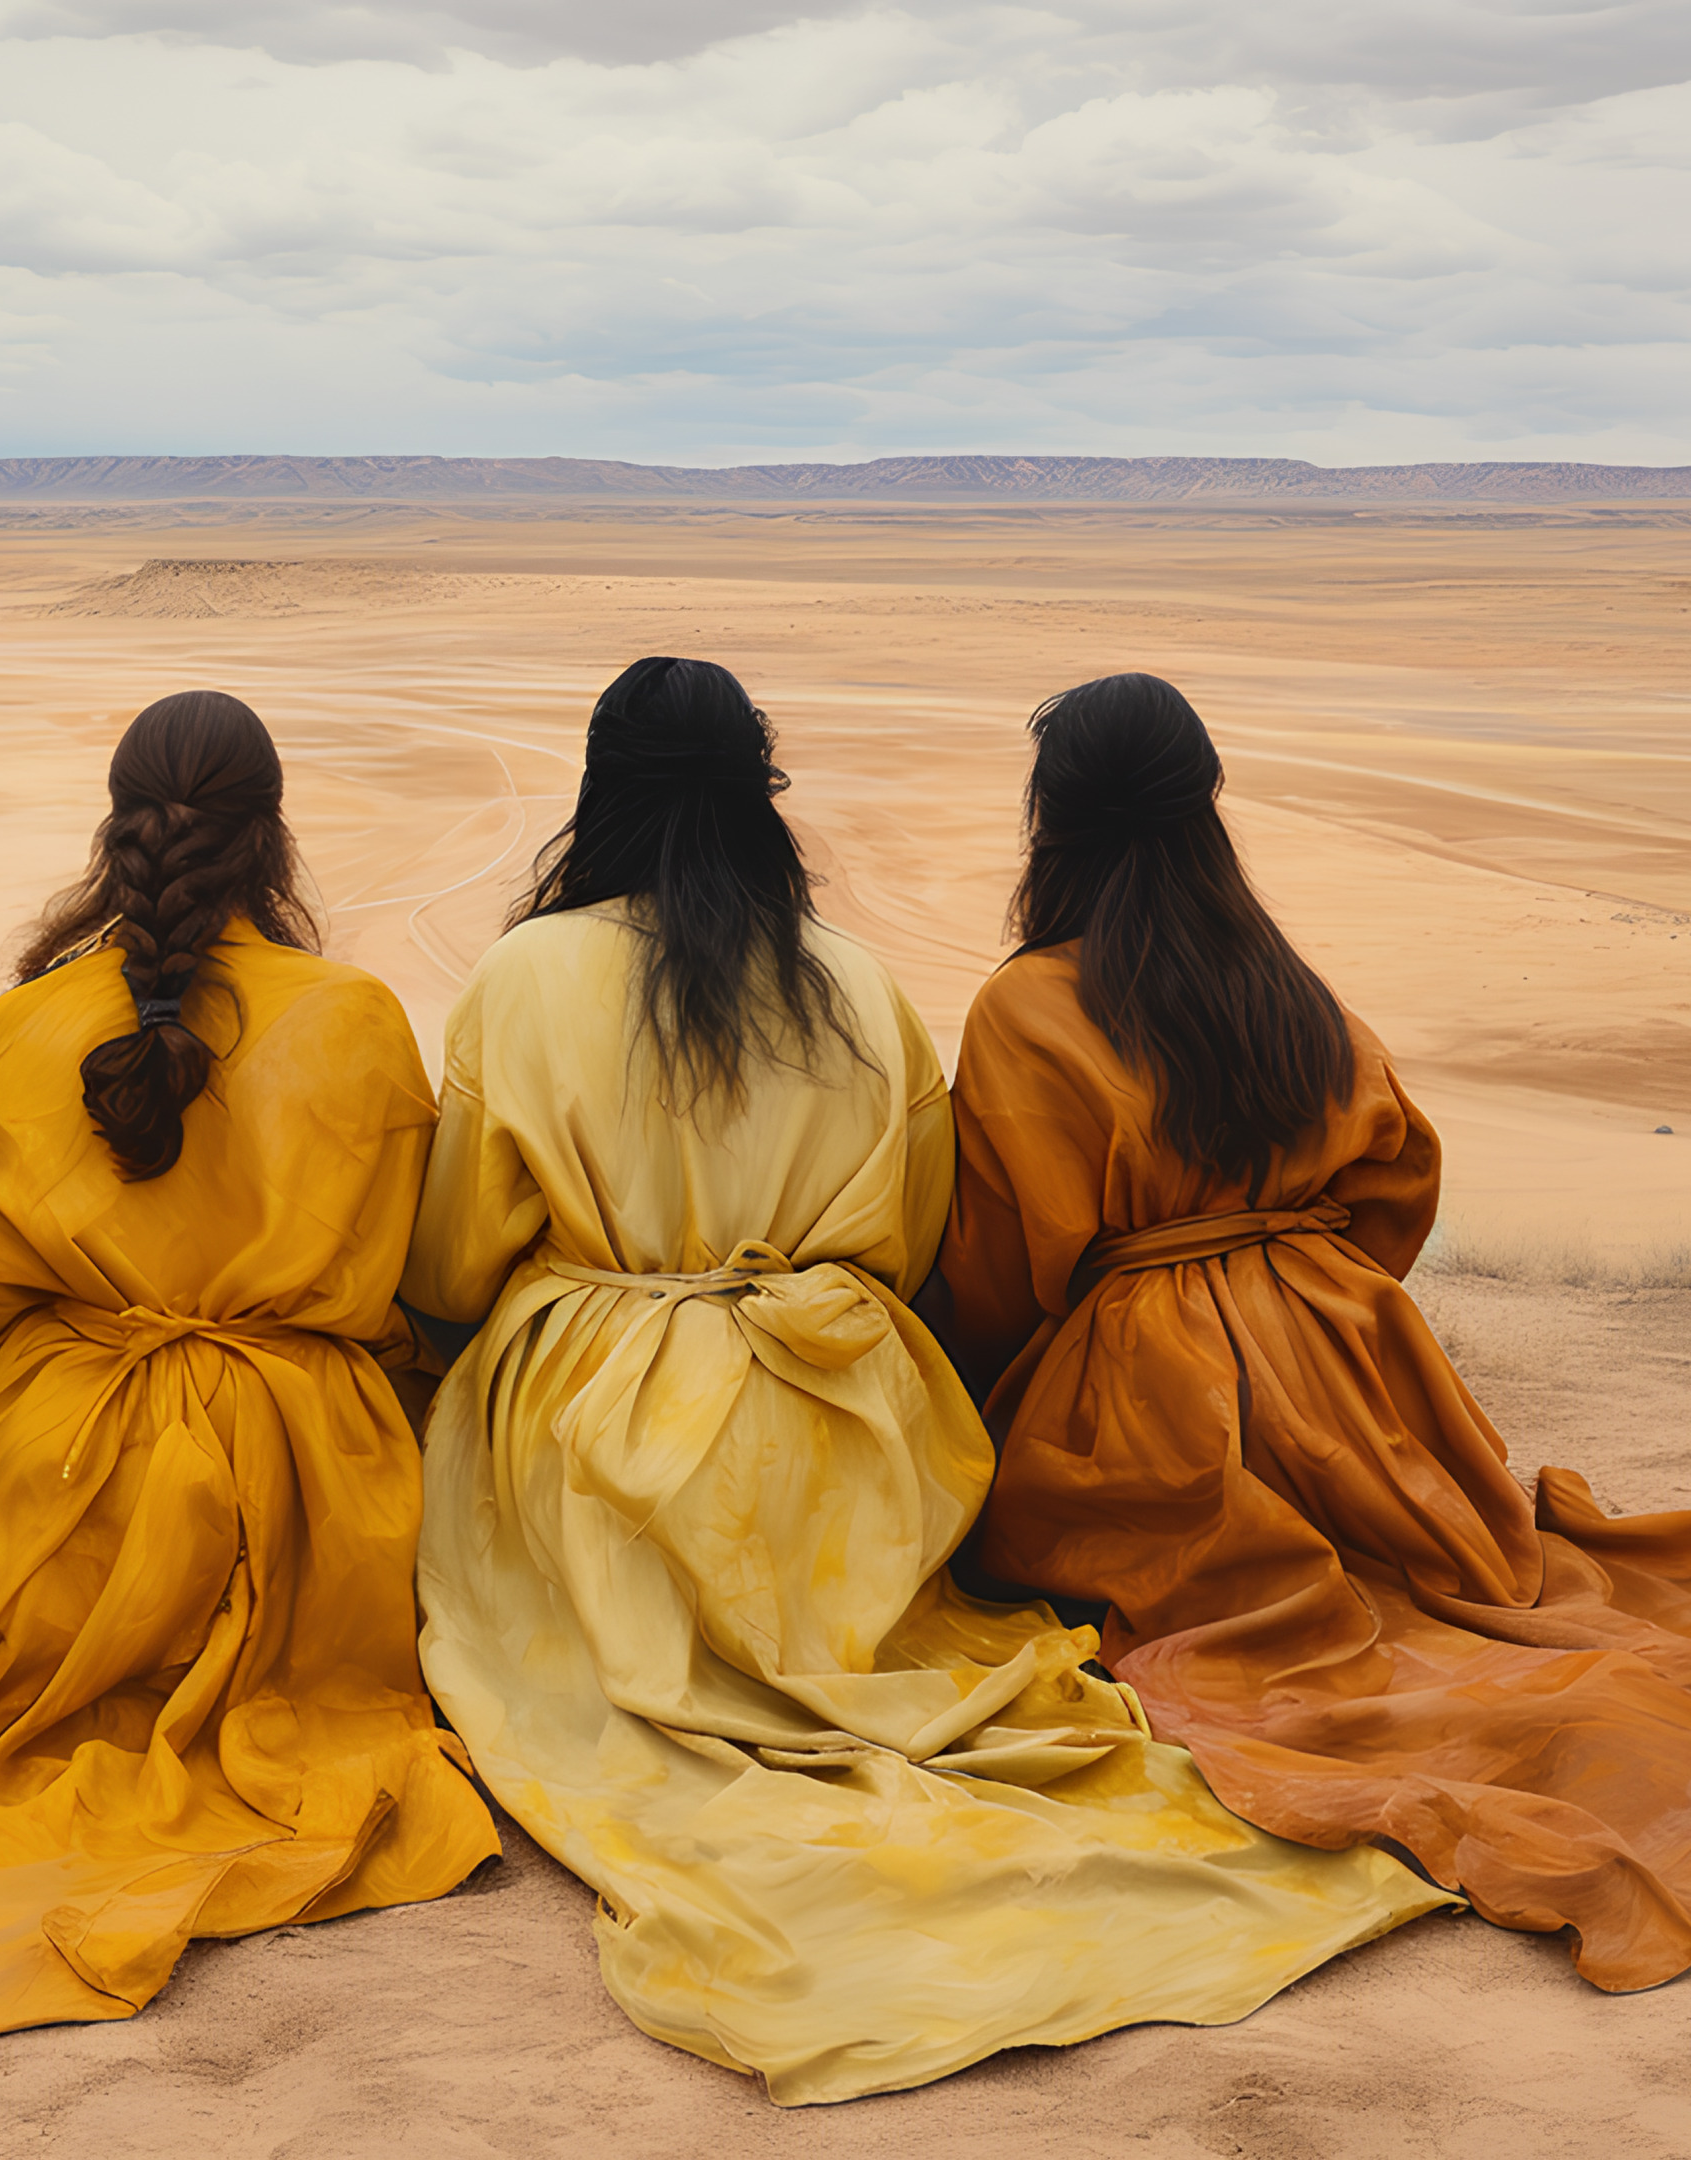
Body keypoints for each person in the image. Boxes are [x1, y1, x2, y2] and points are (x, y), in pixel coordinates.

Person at [935, 670, 1691, 1992]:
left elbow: (1009, 1261)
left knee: (1089, 1574)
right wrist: (1322, 1313)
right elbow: (1397, 1178)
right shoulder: (1284, 986)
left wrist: (1052, 1374)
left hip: (1151, 1383)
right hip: (1355, 1355)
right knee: (1467, 1595)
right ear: (1202, 807)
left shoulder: (1023, 1007)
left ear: (1051, 818)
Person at [403, 656, 1451, 2108]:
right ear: (758, 800)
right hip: (839, 1416)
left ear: (602, 791)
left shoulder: (522, 978)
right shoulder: (854, 981)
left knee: (577, 1672)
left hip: (605, 1405)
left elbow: (458, 1257)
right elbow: (910, 1248)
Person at [0, 691, 494, 2031]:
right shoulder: (354, 1017)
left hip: (40, 1482)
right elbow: (403, 1273)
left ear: (116, 833)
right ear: (270, 838)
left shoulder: (24, 1022)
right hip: (291, 1480)